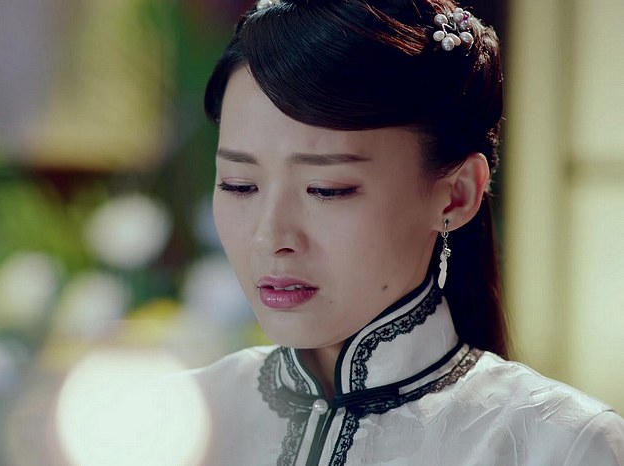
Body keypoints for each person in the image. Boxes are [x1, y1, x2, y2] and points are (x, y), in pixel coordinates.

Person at [186, 0, 624, 464]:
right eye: (239, 185)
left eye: (327, 190)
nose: (269, 237)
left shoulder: (562, 445)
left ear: (456, 195)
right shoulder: (171, 422)